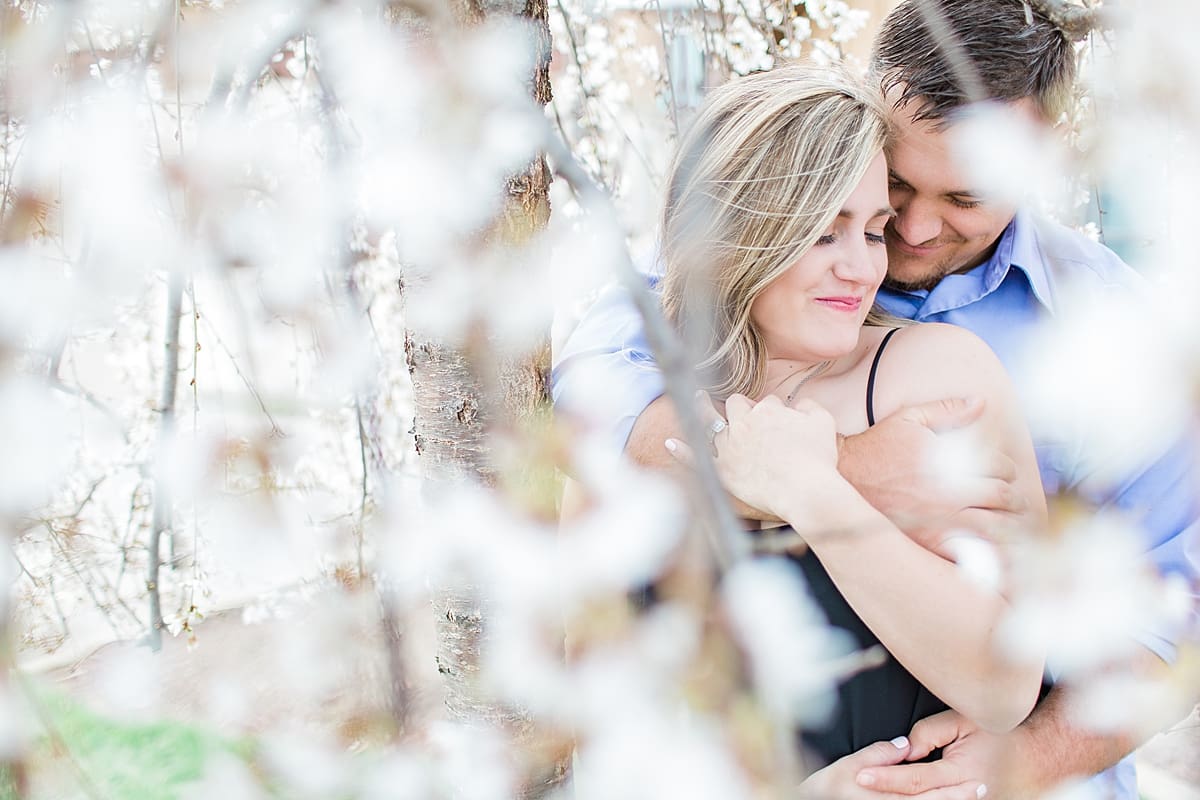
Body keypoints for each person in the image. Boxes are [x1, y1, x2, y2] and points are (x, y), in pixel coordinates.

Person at [552, 0, 1200, 797]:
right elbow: (596, 396)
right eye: (894, 190)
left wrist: (1025, 760)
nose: (911, 234)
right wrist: (848, 468)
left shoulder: (1115, 335)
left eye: (964, 200)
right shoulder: (689, 287)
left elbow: (1176, 616)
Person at [647, 62, 1048, 771]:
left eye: (873, 231)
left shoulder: (931, 376)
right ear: (738, 233)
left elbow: (1005, 684)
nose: (863, 269)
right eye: (826, 233)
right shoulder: (642, 399)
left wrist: (812, 488)